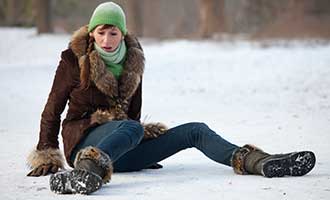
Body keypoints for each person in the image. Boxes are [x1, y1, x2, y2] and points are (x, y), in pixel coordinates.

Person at [26, 2, 316, 195]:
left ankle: (258, 162)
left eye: (112, 32)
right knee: (133, 128)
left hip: (119, 151)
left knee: (195, 130)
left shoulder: (133, 61)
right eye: (101, 32)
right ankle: (87, 173)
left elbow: (132, 114)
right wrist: (47, 154)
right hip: (83, 143)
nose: (106, 39)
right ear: (92, 33)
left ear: (122, 33)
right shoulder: (72, 60)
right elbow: (52, 109)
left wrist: (139, 146)